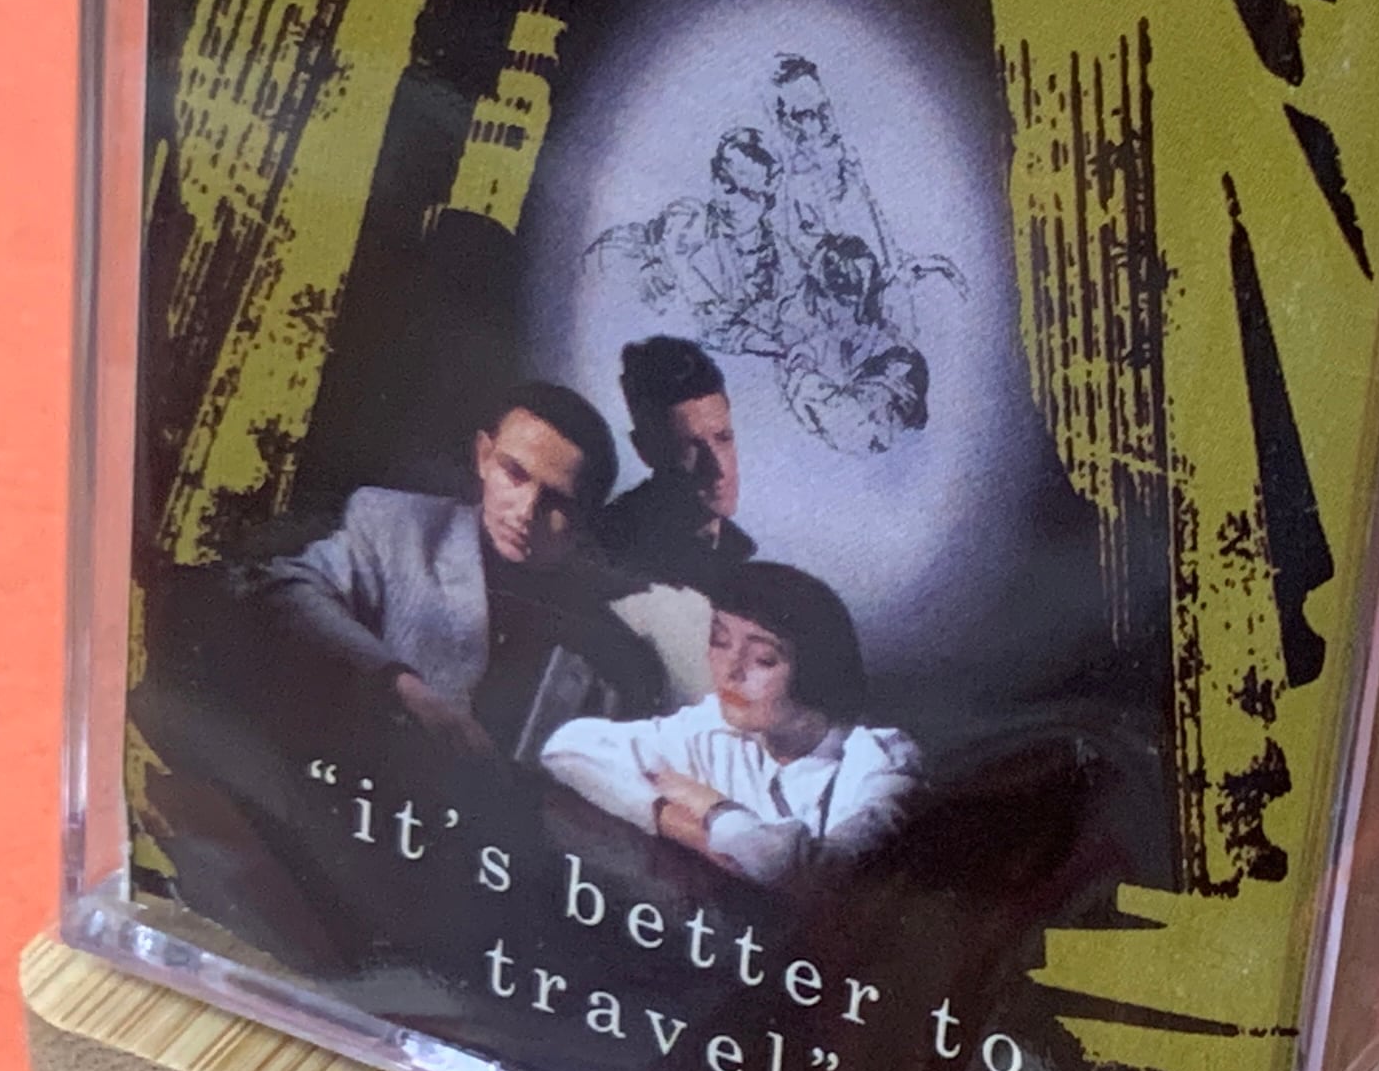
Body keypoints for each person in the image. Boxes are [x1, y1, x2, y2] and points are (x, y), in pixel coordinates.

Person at [243, 384, 668, 759]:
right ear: (483, 456)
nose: (526, 511)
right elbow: (284, 587)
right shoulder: (396, 526)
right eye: (514, 473)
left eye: (556, 500)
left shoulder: (610, 653)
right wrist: (402, 687)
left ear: (585, 518)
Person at [539, 563, 915, 886]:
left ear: (815, 674)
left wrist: (714, 808)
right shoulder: (716, 726)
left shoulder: (880, 758)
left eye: (764, 659)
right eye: (719, 640)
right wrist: (686, 828)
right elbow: (567, 747)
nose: (730, 671)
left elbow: (822, 874)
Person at [595, 335, 756, 588]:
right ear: (645, 450)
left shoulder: (738, 555)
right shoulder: (607, 548)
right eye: (690, 447)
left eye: (724, 438)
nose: (718, 468)